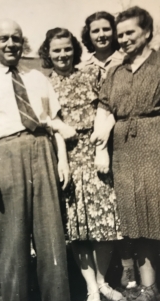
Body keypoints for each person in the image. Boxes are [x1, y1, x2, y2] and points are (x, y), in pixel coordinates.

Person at [0, 19, 72, 301]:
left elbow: (54, 120)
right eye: (3, 39)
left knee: (52, 241)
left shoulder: (37, 78)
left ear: (24, 42)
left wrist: (62, 160)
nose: (11, 44)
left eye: (16, 38)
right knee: (12, 243)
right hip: (3, 154)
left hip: (43, 152)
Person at [39, 27, 125, 301]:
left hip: (97, 152)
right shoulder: (44, 84)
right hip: (67, 157)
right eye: (56, 50)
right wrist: (57, 123)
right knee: (78, 227)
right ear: (48, 53)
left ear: (74, 49)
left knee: (106, 223)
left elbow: (109, 106)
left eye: (67, 48)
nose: (63, 54)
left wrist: (102, 150)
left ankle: (102, 282)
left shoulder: (91, 74)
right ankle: (90, 288)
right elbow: (43, 118)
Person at [91, 6, 160, 301]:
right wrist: (101, 150)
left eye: (130, 32)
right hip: (124, 151)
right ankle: (148, 286)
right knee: (137, 220)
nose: (123, 39)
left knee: (156, 213)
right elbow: (104, 109)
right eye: (120, 35)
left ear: (147, 32)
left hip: (154, 144)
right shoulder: (116, 71)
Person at [81, 11, 136, 289]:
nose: (102, 35)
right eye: (95, 31)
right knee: (105, 203)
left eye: (106, 29)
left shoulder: (126, 60)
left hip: (124, 137)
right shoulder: (82, 66)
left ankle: (129, 266)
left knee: (125, 200)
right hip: (92, 142)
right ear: (88, 36)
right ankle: (108, 273)